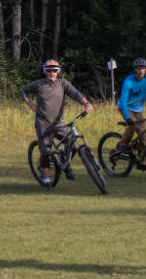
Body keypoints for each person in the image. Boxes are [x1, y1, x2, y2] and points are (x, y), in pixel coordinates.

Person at [20, 59, 93, 191]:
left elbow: (75, 93)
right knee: (45, 152)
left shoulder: (63, 83)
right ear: (45, 72)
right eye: (49, 71)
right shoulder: (39, 84)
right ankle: (47, 181)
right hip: (43, 124)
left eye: (54, 71)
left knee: (73, 145)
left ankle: (65, 165)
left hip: (59, 124)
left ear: (58, 72)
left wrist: (86, 103)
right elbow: (23, 90)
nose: (51, 73)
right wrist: (30, 104)